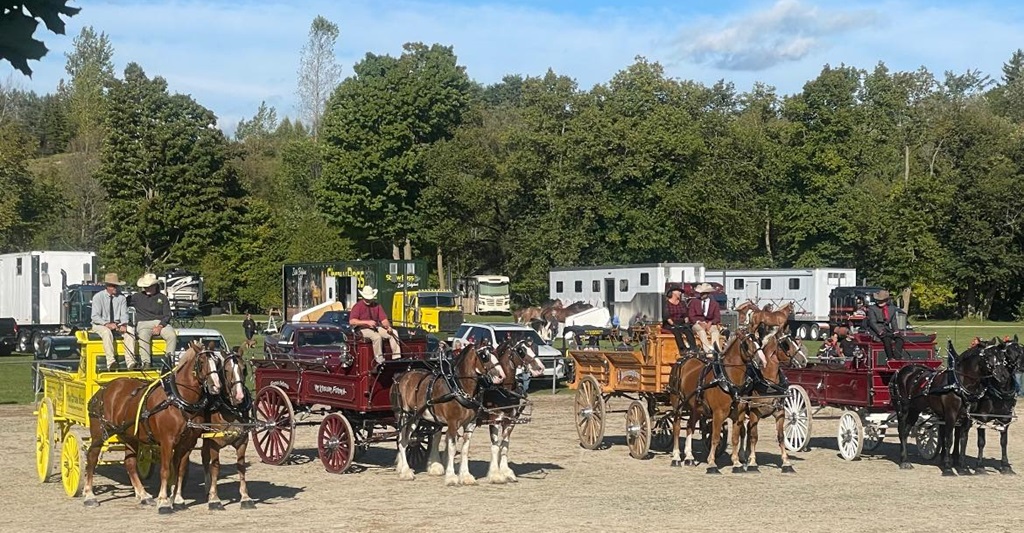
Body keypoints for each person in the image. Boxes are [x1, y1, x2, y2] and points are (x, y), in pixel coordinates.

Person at [131, 273, 177, 368]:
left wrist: (160, 326)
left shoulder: (162, 297)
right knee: (143, 336)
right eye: (145, 287)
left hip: (160, 322)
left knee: (172, 335)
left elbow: (167, 315)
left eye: (149, 287)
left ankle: (168, 361)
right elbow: (122, 302)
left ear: (155, 286)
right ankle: (146, 362)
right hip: (143, 322)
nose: (146, 289)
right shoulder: (136, 297)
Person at [349, 285, 400, 363]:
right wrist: (367, 322)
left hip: (376, 327)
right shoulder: (357, 306)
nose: (368, 300)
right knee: (377, 337)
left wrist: (388, 327)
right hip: (362, 329)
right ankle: (379, 359)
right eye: (367, 298)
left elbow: (384, 319)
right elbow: (352, 321)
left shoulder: (377, 306)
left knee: (394, 332)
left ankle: (396, 357)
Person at [90, 273, 131, 371]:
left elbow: (124, 314)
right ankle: (111, 362)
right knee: (106, 332)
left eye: (117, 286)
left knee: (130, 331)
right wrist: (106, 324)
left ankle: (130, 362)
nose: (115, 288)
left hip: (117, 324)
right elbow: (95, 316)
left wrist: (124, 324)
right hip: (99, 324)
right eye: (113, 286)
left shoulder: (121, 298)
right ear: (107, 286)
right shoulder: (98, 297)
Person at [866, 290, 904, 363]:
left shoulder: (892, 309)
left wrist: (896, 331)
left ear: (886, 300)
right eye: (878, 300)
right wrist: (880, 332)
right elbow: (872, 322)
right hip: (875, 331)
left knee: (899, 339)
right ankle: (890, 358)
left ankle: (897, 357)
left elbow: (893, 321)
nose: (879, 302)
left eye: (882, 300)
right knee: (886, 339)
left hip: (887, 330)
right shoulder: (872, 309)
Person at [687, 283, 722, 355]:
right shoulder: (694, 302)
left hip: (710, 323)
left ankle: (716, 351)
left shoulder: (715, 304)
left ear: (708, 294)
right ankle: (708, 351)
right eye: (701, 293)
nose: (701, 295)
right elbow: (691, 315)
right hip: (697, 323)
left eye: (703, 293)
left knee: (715, 332)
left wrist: (711, 322)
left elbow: (717, 317)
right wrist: (699, 322)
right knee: (701, 331)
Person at [663, 286, 696, 353]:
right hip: (670, 323)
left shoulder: (682, 303)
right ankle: (682, 349)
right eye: (678, 291)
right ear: (673, 293)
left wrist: (686, 322)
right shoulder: (666, 304)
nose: (680, 293)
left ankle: (693, 348)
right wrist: (674, 324)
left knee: (688, 331)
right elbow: (667, 316)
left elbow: (685, 315)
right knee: (676, 331)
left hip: (681, 322)